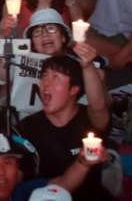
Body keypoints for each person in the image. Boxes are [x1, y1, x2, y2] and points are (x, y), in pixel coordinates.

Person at [14, 55, 111, 201]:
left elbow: (99, 107)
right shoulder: (27, 127)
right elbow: (15, 178)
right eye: (44, 76)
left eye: (55, 77)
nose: (46, 82)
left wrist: (87, 66)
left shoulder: (90, 119)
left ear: (74, 89)